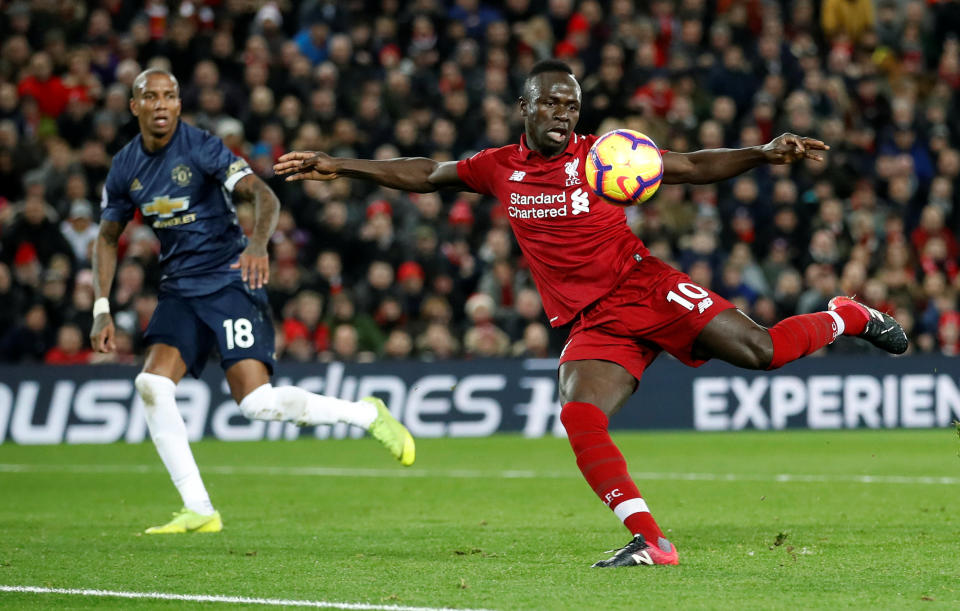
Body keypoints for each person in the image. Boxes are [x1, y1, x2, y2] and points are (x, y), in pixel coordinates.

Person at [274, 60, 908, 567]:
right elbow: (425, 173)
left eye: (571, 105)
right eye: (551, 102)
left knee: (762, 353)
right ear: (524, 106)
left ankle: (847, 315)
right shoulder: (500, 168)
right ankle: (652, 542)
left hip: (647, 287)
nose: (562, 114)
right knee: (578, 416)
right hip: (594, 323)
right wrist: (339, 165)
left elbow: (686, 167)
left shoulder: (603, 155)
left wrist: (763, 154)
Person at [91, 69, 415, 535]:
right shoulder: (125, 166)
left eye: (169, 96)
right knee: (152, 385)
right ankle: (199, 508)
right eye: (150, 96)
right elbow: (106, 236)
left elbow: (262, 194)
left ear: (179, 105)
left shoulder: (202, 147)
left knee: (257, 403)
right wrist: (101, 306)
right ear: (134, 106)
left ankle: (366, 414)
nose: (160, 104)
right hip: (180, 289)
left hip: (228, 281)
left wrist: (257, 244)